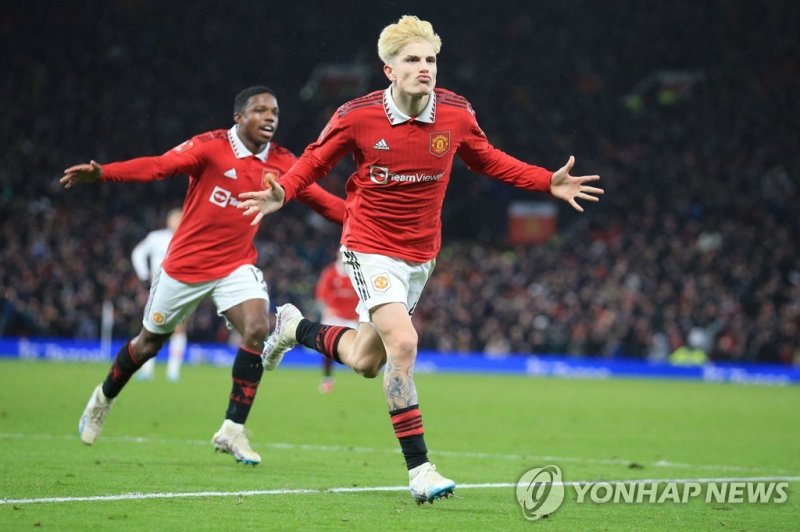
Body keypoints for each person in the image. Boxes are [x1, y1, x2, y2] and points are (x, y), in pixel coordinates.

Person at [238, 16, 603, 502]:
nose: (424, 67)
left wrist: (545, 181)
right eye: (412, 59)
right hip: (368, 245)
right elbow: (314, 160)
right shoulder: (357, 115)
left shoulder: (454, 113)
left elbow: (486, 158)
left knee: (367, 360)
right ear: (389, 69)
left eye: (430, 59)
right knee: (404, 345)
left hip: (421, 255)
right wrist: (282, 190)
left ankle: (292, 327)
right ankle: (420, 469)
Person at [60, 86, 345, 465]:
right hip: (184, 267)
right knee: (147, 345)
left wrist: (377, 223)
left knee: (258, 328)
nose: (270, 117)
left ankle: (232, 430)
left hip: (235, 266)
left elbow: (324, 202)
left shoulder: (281, 162)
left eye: (274, 111)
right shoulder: (210, 147)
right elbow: (158, 166)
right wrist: (103, 174)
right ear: (239, 118)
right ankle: (102, 398)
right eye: (259, 110)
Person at [130, 207, 186, 382]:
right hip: (158, 288)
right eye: (174, 219)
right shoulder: (156, 237)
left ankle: (173, 371)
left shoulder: (189, 239)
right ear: (168, 221)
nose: (177, 223)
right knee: (153, 326)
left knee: (179, 328)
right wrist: (144, 275)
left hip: (181, 288)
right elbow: (138, 253)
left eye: (180, 219)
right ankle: (147, 368)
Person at [314, 251, 360, 393]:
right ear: (338, 255)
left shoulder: (357, 272)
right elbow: (321, 295)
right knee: (326, 348)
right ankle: (327, 379)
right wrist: (325, 310)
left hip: (353, 317)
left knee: (358, 350)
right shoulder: (330, 272)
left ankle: (356, 377)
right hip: (335, 316)